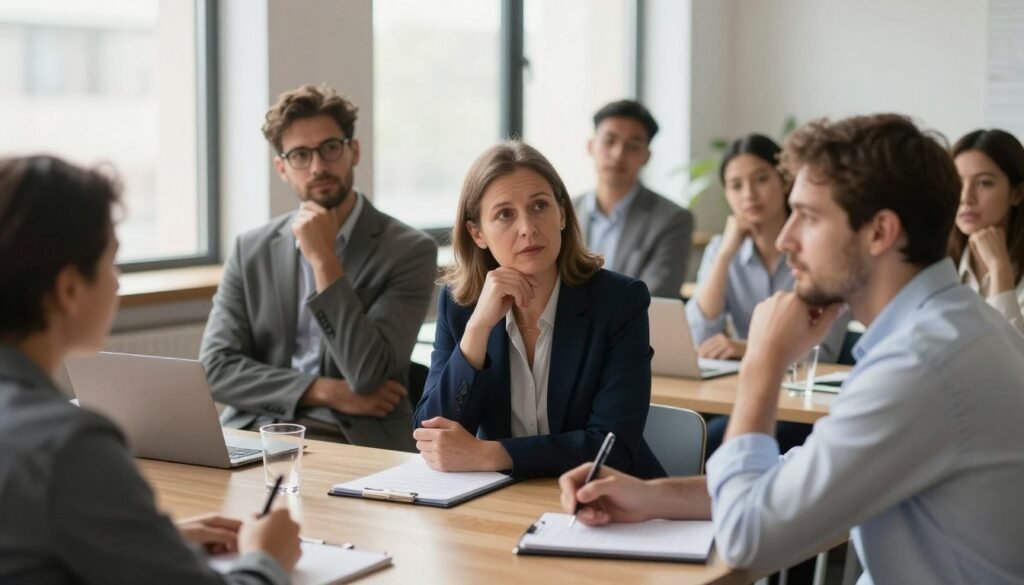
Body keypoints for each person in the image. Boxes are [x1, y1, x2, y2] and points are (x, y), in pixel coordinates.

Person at [559, 115, 1024, 583]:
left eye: (809, 216)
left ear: (880, 232)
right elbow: (797, 473)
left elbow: (747, 537)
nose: (786, 238)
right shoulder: (946, 327)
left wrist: (763, 363)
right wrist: (651, 496)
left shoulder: (921, 364)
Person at [0, 155, 302, 584]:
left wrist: (147, 542)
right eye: (111, 263)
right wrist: (268, 557)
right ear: (68, 289)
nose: (118, 283)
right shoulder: (70, 446)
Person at [200, 84, 437, 451]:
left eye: (330, 148)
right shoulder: (251, 248)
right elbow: (215, 368)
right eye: (299, 155)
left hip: (353, 439)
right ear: (282, 167)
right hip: (256, 430)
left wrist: (324, 260)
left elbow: (368, 374)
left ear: (353, 151)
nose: (318, 167)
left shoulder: (408, 250)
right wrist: (325, 391)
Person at [413, 141, 665, 478]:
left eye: (539, 206)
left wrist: (492, 454)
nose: (528, 228)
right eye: (505, 214)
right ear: (477, 233)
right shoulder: (460, 305)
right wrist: (477, 330)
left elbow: (611, 447)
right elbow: (432, 436)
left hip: (610, 500)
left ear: (561, 213)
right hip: (503, 502)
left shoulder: (619, 300)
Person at [686, 134, 847, 362]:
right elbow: (699, 338)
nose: (749, 194)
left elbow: (823, 353)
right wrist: (724, 256)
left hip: (801, 388)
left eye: (761, 179)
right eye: (736, 186)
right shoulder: (720, 249)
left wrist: (748, 349)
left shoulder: (820, 249)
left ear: (784, 182)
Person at [572, 99, 694, 298]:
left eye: (633, 145)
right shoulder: (562, 210)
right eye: (609, 141)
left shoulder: (672, 220)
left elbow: (654, 297)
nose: (618, 154)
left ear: (647, 156)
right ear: (591, 146)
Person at [949, 128, 1024, 334]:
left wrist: (1000, 270)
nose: (966, 197)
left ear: (1017, 193)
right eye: (957, 182)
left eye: (983, 183)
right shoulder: (936, 262)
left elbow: (1013, 359)